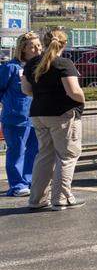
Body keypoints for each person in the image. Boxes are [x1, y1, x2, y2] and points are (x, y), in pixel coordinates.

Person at [22, 28, 86, 211]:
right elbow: (73, 91)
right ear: (64, 45)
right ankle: (62, 198)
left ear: (44, 42)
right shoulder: (63, 63)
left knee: (44, 155)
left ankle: (37, 199)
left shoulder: (33, 63)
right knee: (67, 156)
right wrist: (83, 99)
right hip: (62, 114)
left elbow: (26, 90)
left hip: (38, 114)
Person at [1, 32, 41, 196]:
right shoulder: (10, 67)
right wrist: (11, 104)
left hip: (36, 117)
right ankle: (17, 185)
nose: (37, 49)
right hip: (15, 119)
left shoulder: (38, 67)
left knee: (34, 150)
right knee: (16, 151)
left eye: (38, 45)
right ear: (23, 49)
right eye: (32, 46)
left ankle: (30, 180)